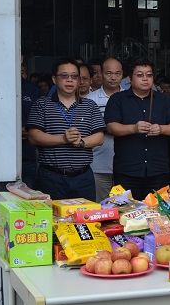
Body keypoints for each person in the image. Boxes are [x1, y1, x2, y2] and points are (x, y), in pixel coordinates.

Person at [26, 58, 106, 201]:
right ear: (54, 79)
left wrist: (81, 142)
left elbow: (99, 137)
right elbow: (33, 136)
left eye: (74, 76)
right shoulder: (42, 104)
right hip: (51, 177)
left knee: (85, 220)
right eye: (64, 76)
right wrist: (63, 139)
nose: (70, 80)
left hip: (83, 177)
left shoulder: (89, 105)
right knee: (52, 220)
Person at [105, 58, 170, 200]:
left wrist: (161, 129)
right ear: (129, 78)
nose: (145, 79)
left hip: (158, 170)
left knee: (158, 213)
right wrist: (133, 128)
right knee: (127, 213)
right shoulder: (118, 99)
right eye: (140, 75)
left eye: (149, 75)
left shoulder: (163, 100)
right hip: (127, 170)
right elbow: (111, 127)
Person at [86, 57, 124, 201]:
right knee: (100, 208)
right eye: (109, 73)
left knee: (124, 209)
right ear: (101, 73)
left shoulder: (130, 98)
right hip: (98, 164)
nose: (113, 77)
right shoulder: (90, 100)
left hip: (126, 166)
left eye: (117, 73)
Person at [21, 55, 43, 187]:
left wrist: (31, 131)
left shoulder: (33, 90)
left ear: (21, 58)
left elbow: (43, 124)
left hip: (29, 155)